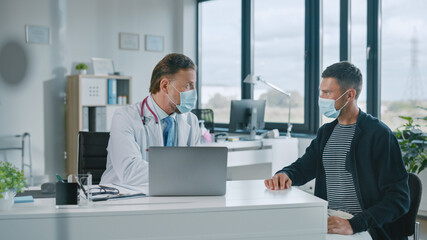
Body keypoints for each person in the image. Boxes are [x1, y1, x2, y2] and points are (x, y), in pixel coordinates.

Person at [264, 62, 410, 240]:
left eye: (327, 93)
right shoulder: (326, 132)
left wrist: (354, 224)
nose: (321, 98)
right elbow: (304, 166)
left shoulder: (379, 134)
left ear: (349, 95)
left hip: (363, 225)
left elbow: (399, 198)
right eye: (321, 92)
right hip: (328, 218)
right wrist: (286, 174)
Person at [100, 53, 200, 185]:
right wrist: (183, 172)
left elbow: (198, 167)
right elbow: (130, 172)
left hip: (169, 195)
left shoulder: (190, 120)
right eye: (188, 85)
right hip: (123, 197)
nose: (193, 91)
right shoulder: (124, 117)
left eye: (194, 85)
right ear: (164, 86)